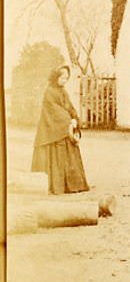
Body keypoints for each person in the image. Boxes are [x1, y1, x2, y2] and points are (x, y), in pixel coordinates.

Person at [31, 65, 90, 194]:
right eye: (62, 78)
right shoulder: (49, 91)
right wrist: (69, 121)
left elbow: (69, 106)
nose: (64, 80)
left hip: (66, 129)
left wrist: (75, 117)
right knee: (57, 159)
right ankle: (58, 187)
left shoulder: (63, 91)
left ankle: (74, 186)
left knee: (71, 158)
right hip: (54, 131)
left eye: (66, 78)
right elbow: (53, 111)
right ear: (55, 77)